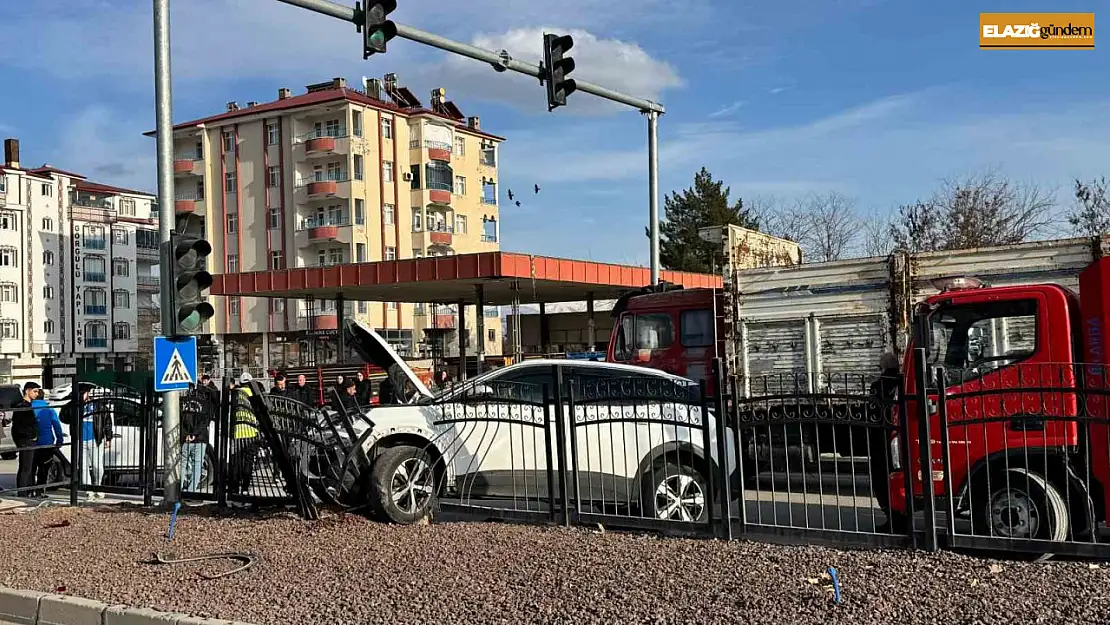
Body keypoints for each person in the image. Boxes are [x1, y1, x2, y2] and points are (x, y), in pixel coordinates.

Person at [869, 352, 905, 534]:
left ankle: (892, 518)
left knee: (882, 479)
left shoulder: (877, 385)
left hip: (881, 438)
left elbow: (873, 413)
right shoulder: (904, 383)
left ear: (882, 367)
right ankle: (903, 516)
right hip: (901, 436)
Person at [228, 373, 261, 496]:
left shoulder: (234, 394)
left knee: (236, 461)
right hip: (251, 431)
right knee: (248, 461)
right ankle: (245, 487)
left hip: (237, 431)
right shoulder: (254, 393)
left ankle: (234, 488)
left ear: (240, 383)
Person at [79, 386, 112, 501]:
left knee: (97, 466)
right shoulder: (77, 407)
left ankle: (98, 486)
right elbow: (65, 416)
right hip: (80, 440)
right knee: (83, 468)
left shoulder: (99, 406)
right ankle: (89, 490)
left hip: (95, 439)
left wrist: (108, 438)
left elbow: (107, 422)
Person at [11, 383, 43, 497]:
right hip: (25, 441)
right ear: (27, 391)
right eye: (34, 391)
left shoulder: (28, 405)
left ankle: (27, 491)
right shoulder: (22, 406)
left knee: (27, 467)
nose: (37, 394)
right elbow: (18, 426)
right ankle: (23, 493)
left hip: (28, 440)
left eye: (37, 391)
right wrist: (31, 435)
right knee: (26, 468)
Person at [32, 388, 64, 498]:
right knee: (43, 468)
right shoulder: (49, 409)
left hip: (32, 443)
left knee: (30, 468)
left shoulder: (28, 407)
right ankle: (40, 491)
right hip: (46, 443)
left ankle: (28, 490)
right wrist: (59, 440)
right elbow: (56, 426)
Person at [180, 389, 212, 494]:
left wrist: (186, 435)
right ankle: (191, 490)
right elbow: (204, 423)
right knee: (197, 464)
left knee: (182, 463)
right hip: (200, 438)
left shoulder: (182, 402)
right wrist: (194, 434)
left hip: (186, 439)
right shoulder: (205, 404)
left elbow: (179, 421)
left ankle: (178, 489)